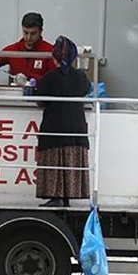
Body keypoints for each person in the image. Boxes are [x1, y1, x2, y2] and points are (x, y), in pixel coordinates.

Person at [34, 36, 92, 207]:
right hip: (76, 130)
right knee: (69, 162)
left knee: (55, 162)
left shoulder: (49, 78)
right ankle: (65, 197)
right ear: (74, 57)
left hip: (54, 129)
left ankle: (56, 197)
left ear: (54, 57)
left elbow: (40, 101)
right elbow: (87, 90)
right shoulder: (81, 77)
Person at [0, 11, 56, 83]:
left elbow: (55, 80)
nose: (28, 37)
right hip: (16, 93)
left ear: (40, 31)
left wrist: (38, 81)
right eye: (25, 32)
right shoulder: (14, 50)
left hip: (40, 93)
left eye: (33, 33)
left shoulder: (49, 52)